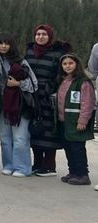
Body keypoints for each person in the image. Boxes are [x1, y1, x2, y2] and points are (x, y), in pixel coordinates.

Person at [25, 25, 70, 177]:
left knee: (49, 131)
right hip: (32, 95)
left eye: (44, 34)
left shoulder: (57, 52)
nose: (41, 37)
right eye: (38, 34)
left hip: (48, 97)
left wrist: (49, 88)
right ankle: (37, 163)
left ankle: (50, 165)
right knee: (35, 129)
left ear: (50, 36)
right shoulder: (29, 51)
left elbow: (60, 73)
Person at [0, 33, 36, 177]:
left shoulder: (21, 62)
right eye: (0, 43)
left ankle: (22, 168)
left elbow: (34, 84)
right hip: (1, 105)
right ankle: (8, 165)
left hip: (18, 106)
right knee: (4, 137)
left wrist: (18, 83)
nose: (3, 46)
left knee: (20, 138)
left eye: (6, 43)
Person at [55, 53, 95, 186]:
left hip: (76, 122)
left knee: (77, 149)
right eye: (65, 64)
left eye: (70, 63)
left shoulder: (83, 82)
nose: (67, 66)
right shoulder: (64, 80)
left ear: (77, 64)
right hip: (64, 122)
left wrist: (82, 121)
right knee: (68, 148)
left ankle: (83, 174)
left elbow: (87, 103)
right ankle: (73, 172)